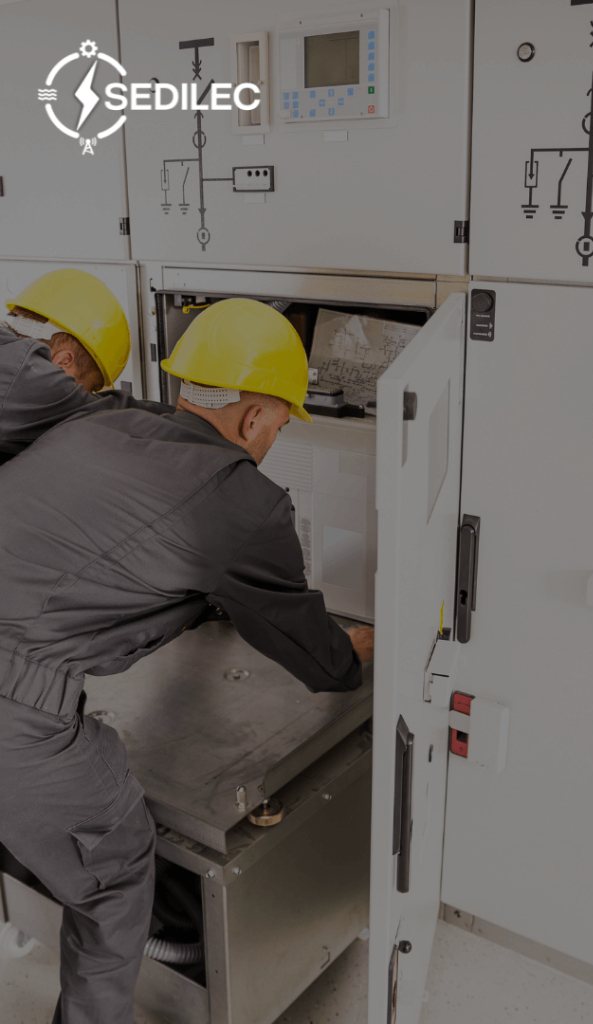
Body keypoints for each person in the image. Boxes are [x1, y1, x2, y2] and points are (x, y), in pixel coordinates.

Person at [0, 298, 374, 1024]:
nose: (274, 439)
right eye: (281, 424)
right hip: (16, 708)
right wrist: (348, 652)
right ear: (256, 418)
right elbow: (317, 659)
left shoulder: (98, 419)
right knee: (113, 877)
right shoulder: (246, 502)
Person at [0, 268, 161, 464]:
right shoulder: (29, 377)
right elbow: (117, 414)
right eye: (90, 388)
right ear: (63, 361)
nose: (87, 396)